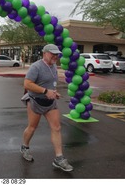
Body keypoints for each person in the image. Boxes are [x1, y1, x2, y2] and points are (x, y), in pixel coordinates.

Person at [20, 44, 73, 172]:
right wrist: (45, 91)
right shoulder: (36, 67)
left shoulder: (53, 66)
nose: (56, 56)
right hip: (35, 101)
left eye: (57, 54)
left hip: (50, 102)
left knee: (56, 128)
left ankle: (59, 159)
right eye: (52, 54)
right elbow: (27, 84)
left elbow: (50, 84)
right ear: (44, 53)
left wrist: (54, 92)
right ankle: (25, 147)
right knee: (32, 127)